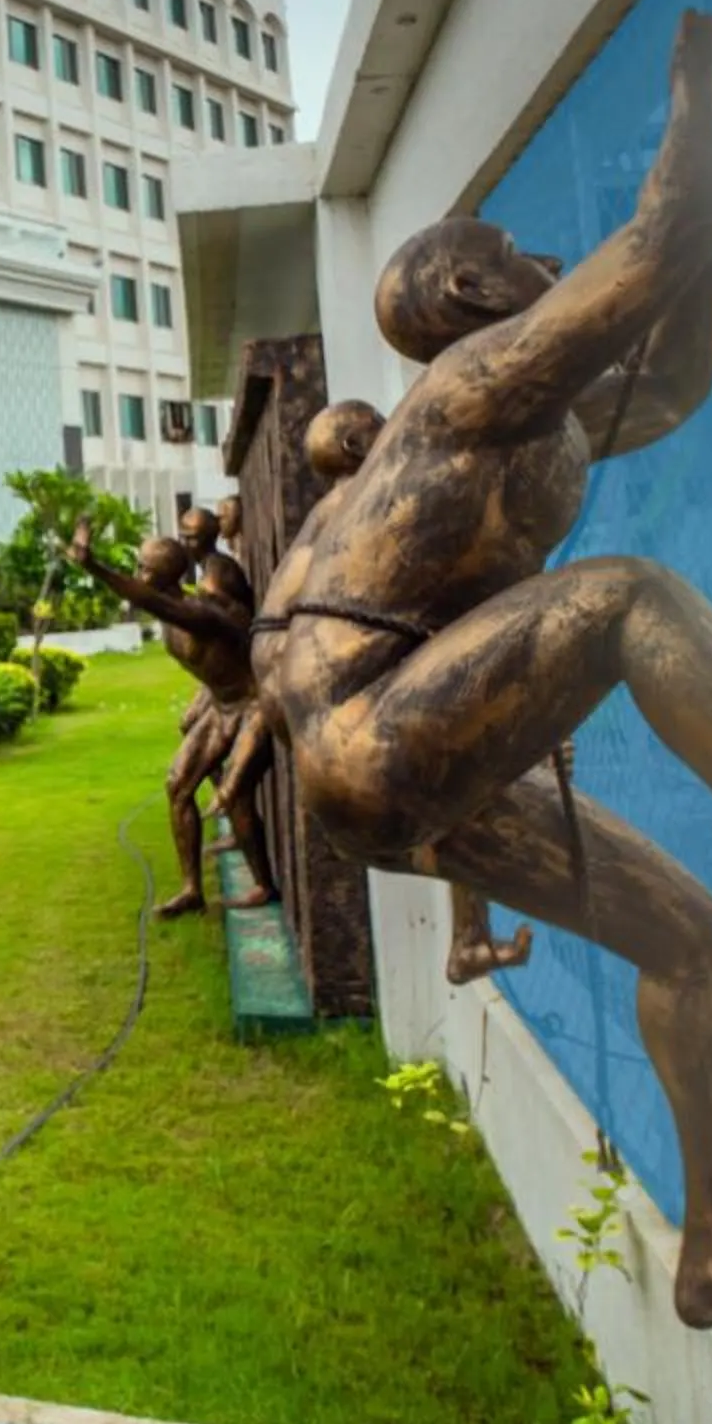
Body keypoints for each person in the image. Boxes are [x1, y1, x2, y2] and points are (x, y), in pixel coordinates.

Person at [274, 9, 712, 1327]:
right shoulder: (464, 387)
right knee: (627, 603)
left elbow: (677, 375)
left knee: (692, 940)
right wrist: (701, 84)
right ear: (481, 298)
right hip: (368, 733)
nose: (546, 259)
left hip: (406, 752)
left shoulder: (532, 429)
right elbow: (656, 247)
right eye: (517, 256)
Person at [252, 399, 533, 986]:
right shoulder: (367, 501)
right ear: (359, 449)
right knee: (458, 766)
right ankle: (469, 933)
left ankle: (469, 935)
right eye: (383, 429)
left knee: (450, 784)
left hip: (283, 672)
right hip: (314, 673)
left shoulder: (326, 511)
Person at [65, 503, 276, 917]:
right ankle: (190, 888)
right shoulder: (170, 614)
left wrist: (94, 566)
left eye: (145, 569)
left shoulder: (194, 611)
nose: (140, 575)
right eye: (139, 567)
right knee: (178, 785)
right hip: (220, 706)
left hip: (252, 706)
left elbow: (144, 598)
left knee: (238, 800)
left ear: (163, 578)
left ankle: (265, 885)